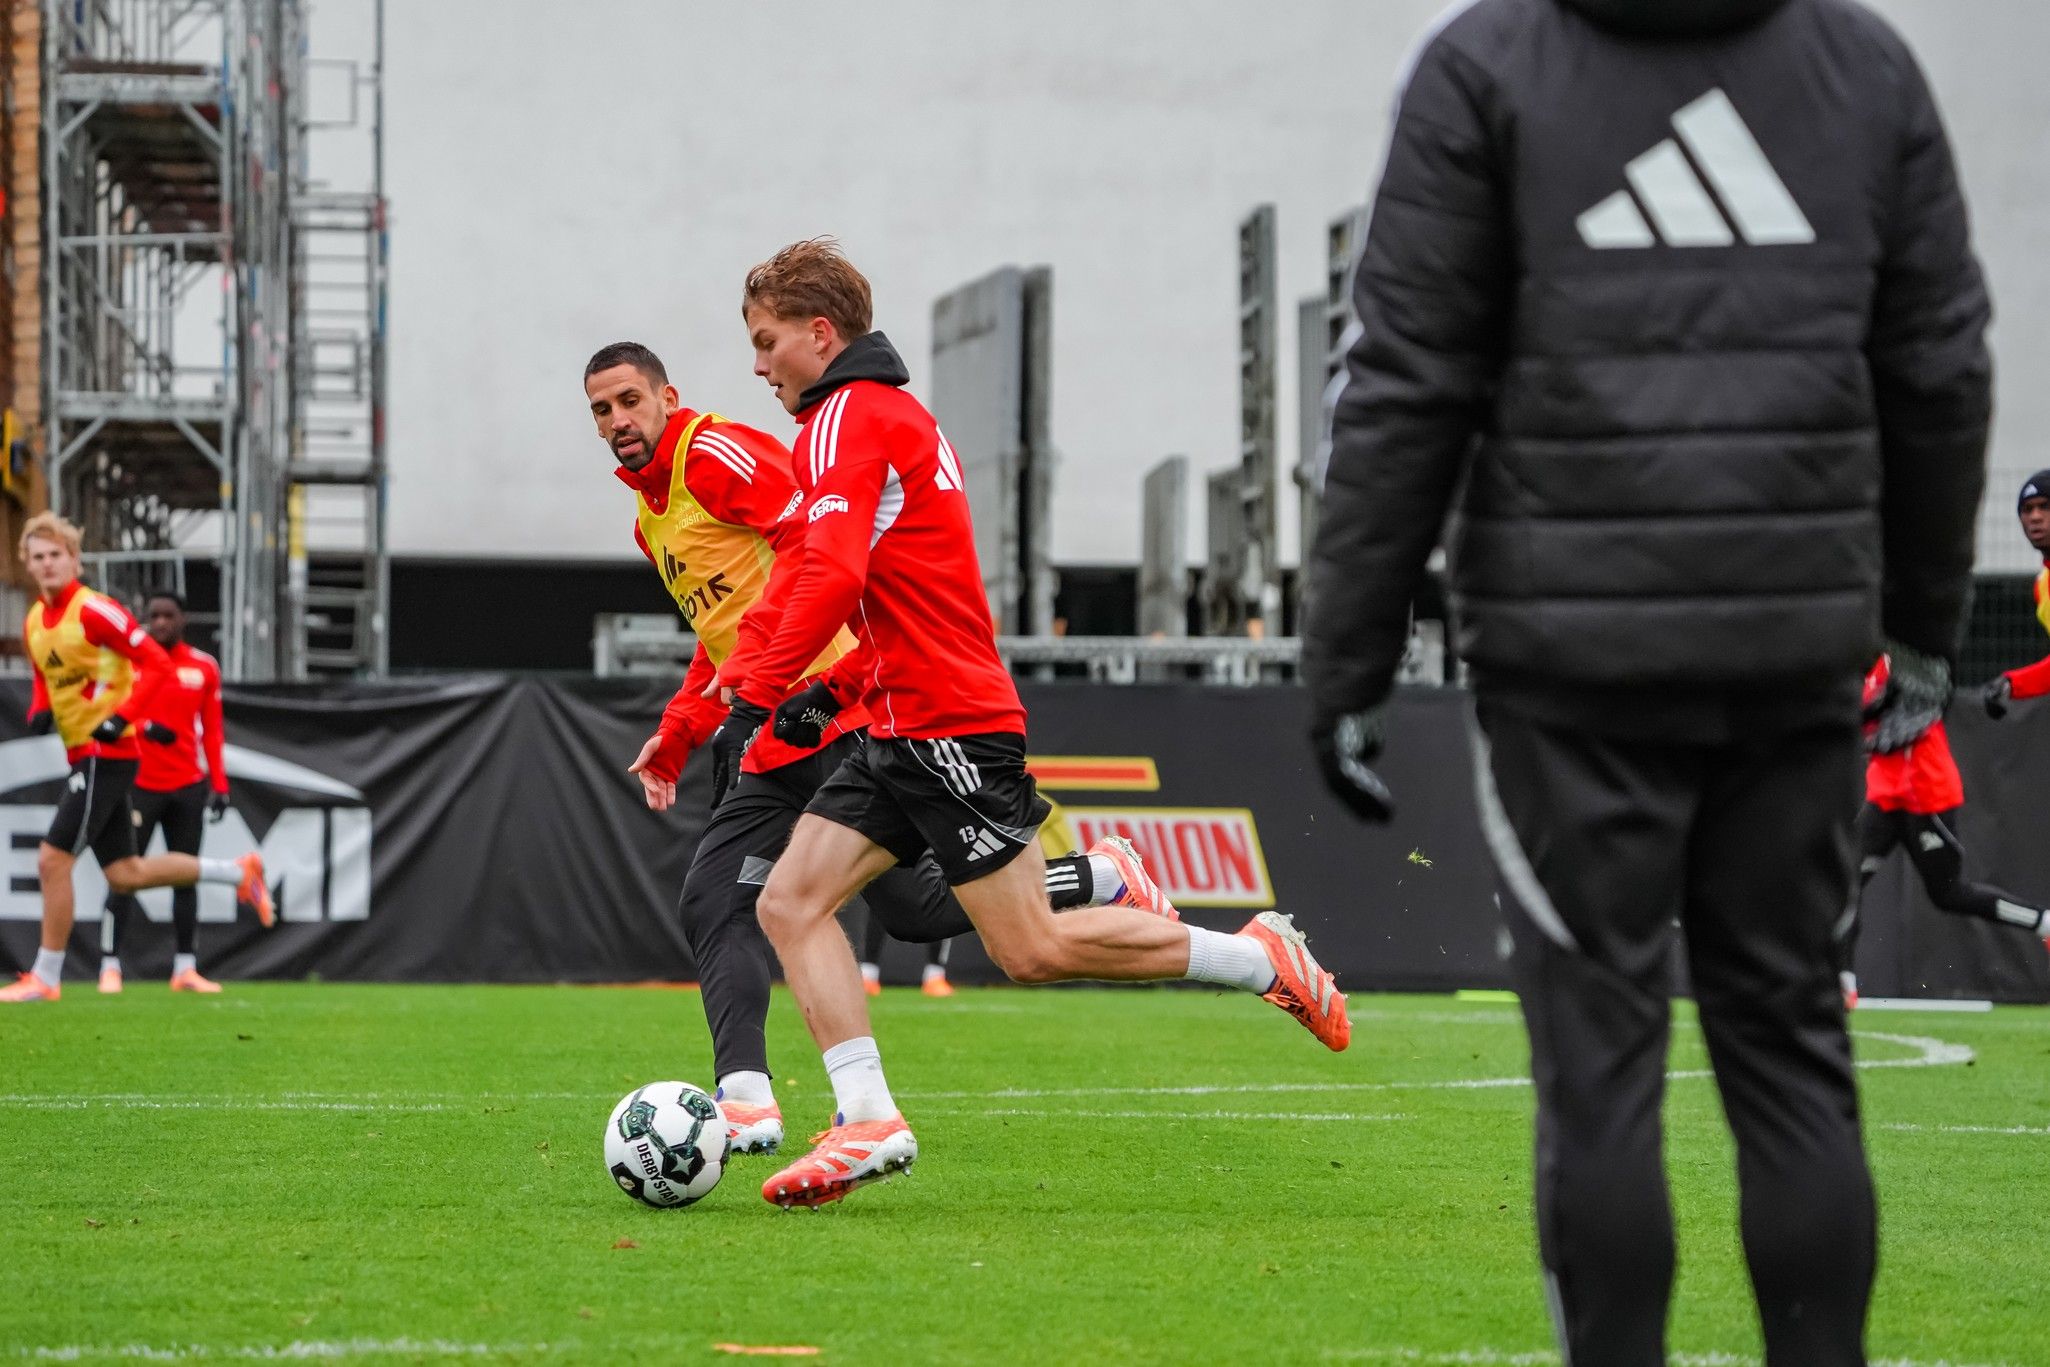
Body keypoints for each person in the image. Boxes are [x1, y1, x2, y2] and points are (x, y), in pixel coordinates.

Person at [1302, 2, 1990, 1363]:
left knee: (1597, 1070)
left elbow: (1401, 379)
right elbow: (1938, 372)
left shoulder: (1483, 65)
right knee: (1790, 1044)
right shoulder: (1860, 66)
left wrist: (1347, 650)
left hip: (1568, 671)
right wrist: (1919, 627)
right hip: (1791, 654)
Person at [722, 239, 1349, 1210]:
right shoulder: (873, 414)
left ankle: (1259, 956)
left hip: (946, 727)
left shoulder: (846, 414)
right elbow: (902, 591)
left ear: (819, 332)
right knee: (789, 901)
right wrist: (833, 695)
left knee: (1032, 951)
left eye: (766, 343)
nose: (758, 366)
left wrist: (762, 684)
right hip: (899, 719)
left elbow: (832, 577)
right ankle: (867, 1117)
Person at [585, 342, 1175, 1154]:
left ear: (665, 396)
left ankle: (1101, 875)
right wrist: (683, 729)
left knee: (915, 910)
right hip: (769, 727)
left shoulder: (712, 452)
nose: (617, 421)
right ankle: (747, 1102)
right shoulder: (652, 520)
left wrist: (773, 683)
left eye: (628, 401)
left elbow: (814, 547)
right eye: (601, 410)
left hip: (833, 712)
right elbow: (714, 636)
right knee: (714, 895)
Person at [1, 515, 273, 1003]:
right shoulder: (36, 621)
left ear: (75, 559)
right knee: (126, 872)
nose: (47, 564)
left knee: (51, 860)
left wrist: (123, 715)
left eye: (55, 554)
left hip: (108, 753)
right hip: (83, 753)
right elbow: (46, 674)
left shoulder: (95, 611)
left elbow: (157, 661)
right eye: (38, 557)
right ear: (28, 565)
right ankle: (239, 870)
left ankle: (45, 976)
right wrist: (40, 708)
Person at [1840, 654, 2050, 1006]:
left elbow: (1915, 712)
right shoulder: (1861, 669)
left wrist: (1865, 711)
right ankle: (1844, 981)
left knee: (1948, 892)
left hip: (1926, 793)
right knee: (1846, 882)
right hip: (1885, 794)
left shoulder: (1907, 660)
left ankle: (2043, 921)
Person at [97, 591, 251, 995]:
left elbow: (213, 730)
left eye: (168, 615)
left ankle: (185, 968)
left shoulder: (203, 666)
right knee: (124, 876)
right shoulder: (132, 663)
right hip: (139, 784)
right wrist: (145, 727)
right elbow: (106, 709)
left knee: (186, 876)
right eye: (154, 615)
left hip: (187, 786)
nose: (161, 622)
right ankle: (109, 966)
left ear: (183, 619)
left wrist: (219, 784)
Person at [857, 803, 1088, 998]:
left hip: (934, 813)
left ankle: (934, 974)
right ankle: (869, 973)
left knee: (941, 894)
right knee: (885, 895)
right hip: (893, 811)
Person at [1978, 471, 2050, 716]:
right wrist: (2011, 684)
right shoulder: (2043, 585)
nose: (2035, 517)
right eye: (2027, 510)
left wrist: (2014, 683)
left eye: (2045, 506)